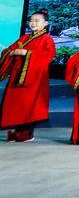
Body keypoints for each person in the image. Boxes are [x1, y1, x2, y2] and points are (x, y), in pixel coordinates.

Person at [1, 10, 56, 142]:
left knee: (29, 105)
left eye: (37, 21)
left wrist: (27, 53)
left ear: (45, 23)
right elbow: (8, 50)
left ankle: (26, 132)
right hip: (18, 76)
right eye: (31, 20)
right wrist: (12, 52)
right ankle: (18, 131)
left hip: (34, 78)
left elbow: (49, 55)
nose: (33, 23)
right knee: (17, 103)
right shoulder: (24, 37)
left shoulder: (46, 39)